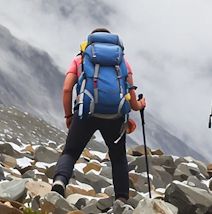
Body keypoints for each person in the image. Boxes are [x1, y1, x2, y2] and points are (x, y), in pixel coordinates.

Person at [50, 28, 145, 201]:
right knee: (118, 158)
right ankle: (121, 200)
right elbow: (131, 98)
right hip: (115, 116)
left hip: (86, 112)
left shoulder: (81, 59)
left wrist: (68, 115)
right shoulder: (122, 62)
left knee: (70, 152)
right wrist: (140, 105)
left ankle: (59, 181)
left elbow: (66, 89)